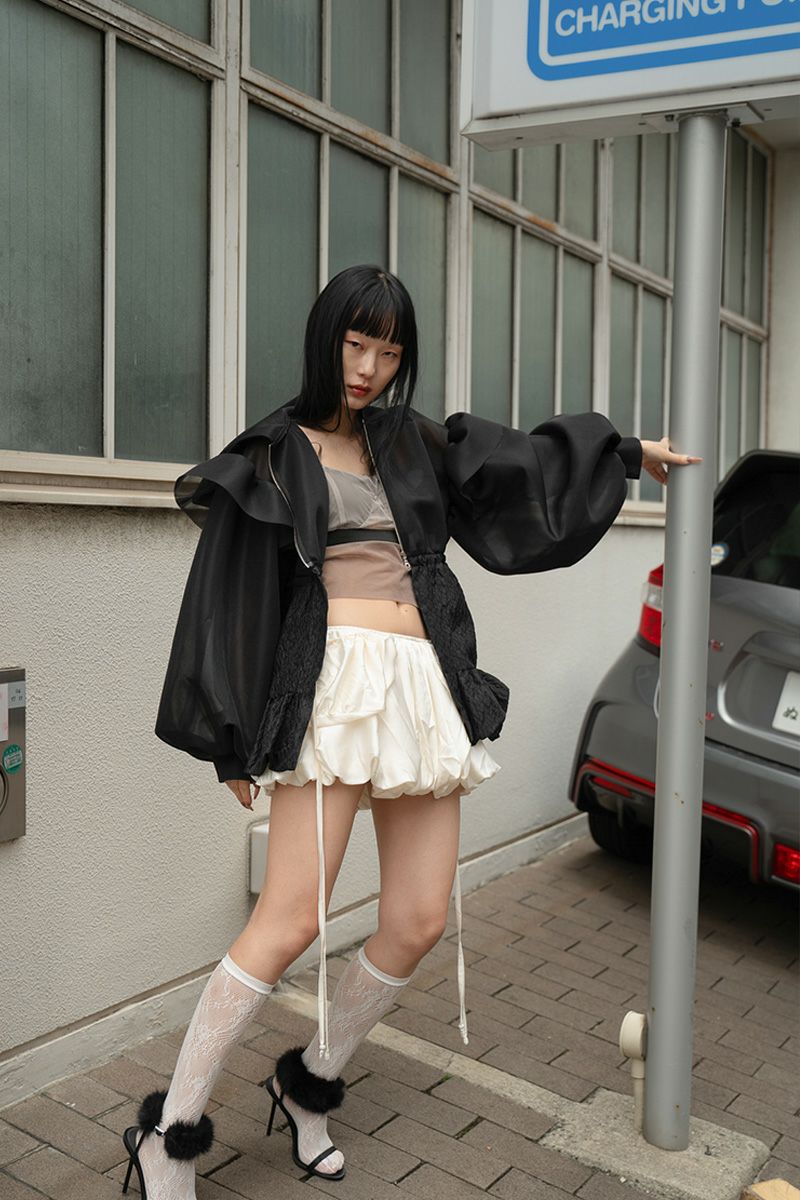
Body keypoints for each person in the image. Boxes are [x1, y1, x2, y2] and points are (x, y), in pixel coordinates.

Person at [121, 264, 701, 1198]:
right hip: (332, 688)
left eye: (388, 352)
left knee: (419, 919)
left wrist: (628, 454)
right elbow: (226, 599)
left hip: (420, 685)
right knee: (289, 920)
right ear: (326, 339)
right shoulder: (275, 452)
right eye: (356, 344)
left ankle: (308, 1083)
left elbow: (518, 468)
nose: (369, 368)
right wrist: (230, 741)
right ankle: (169, 1135)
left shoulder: (411, 441)